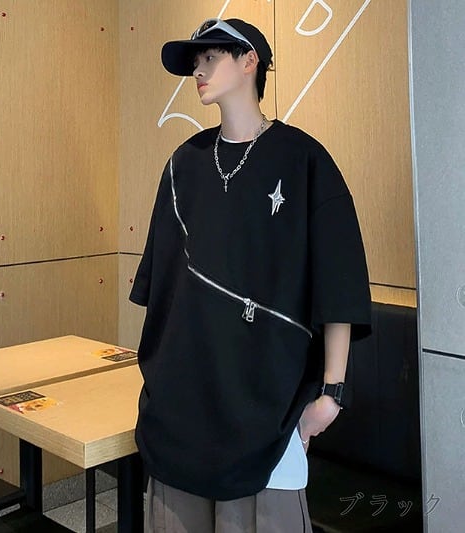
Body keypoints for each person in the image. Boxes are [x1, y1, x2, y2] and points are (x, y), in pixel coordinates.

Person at [130, 17, 371, 533]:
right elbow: (164, 296)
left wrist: (332, 395)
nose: (198, 70)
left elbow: (340, 285)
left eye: (210, 56)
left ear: (249, 61)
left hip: (268, 417)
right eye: (195, 61)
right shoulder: (182, 165)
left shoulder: (304, 160)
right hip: (180, 417)